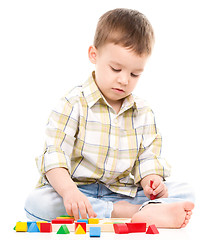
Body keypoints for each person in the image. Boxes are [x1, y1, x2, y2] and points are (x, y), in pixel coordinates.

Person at [25, 8, 195, 228]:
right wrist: (69, 192)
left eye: (135, 74)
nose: (124, 80)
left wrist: (152, 181)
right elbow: (55, 156)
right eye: (116, 69)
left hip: (123, 192)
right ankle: (129, 213)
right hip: (78, 192)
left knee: (186, 192)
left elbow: (147, 159)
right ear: (93, 55)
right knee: (38, 203)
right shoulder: (73, 103)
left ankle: (132, 209)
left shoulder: (143, 111)